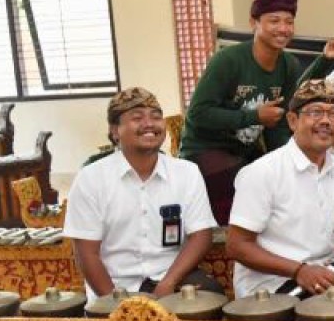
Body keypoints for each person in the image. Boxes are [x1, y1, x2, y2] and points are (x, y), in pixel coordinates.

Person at [65, 88, 220, 300]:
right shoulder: (91, 179)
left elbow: (201, 236)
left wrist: (168, 283)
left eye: (156, 117)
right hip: (115, 286)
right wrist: (115, 304)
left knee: (210, 295)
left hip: (172, 278)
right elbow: (86, 253)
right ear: (115, 130)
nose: (149, 124)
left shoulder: (187, 172)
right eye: (137, 118)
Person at [226, 80, 334, 298]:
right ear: (293, 121)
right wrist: (300, 271)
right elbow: (237, 246)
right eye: (315, 112)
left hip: (324, 281)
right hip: (271, 288)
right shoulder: (262, 172)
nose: (326, 121)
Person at [180, 0, 303, 224]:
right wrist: (254, 116)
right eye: (274, 21)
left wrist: (286, 162)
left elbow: (278, 124)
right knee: (243, 197)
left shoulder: (290, 65)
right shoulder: (228, 60)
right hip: (206, 148)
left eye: (289, 22)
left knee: (282, 187)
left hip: (245, 151)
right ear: (254, 23)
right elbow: (197, 114)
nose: (283, 28)